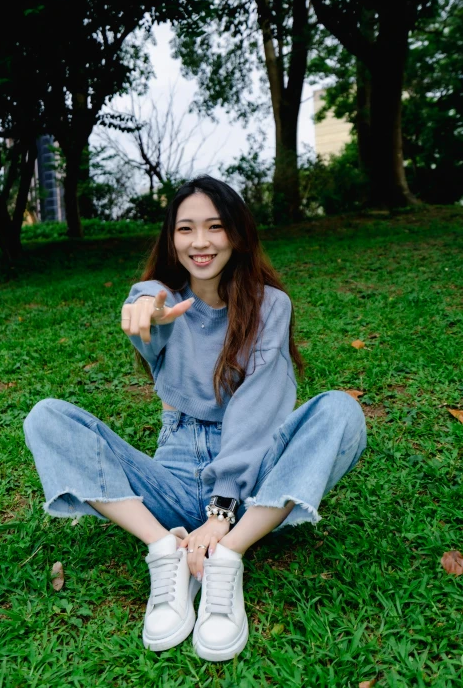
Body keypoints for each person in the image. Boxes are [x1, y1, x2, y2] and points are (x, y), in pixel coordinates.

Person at [23, 175, 366, 662]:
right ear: (171, 238)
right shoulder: (162, 305)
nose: (200, 242)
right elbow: (146, 301)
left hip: (254, 485)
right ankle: (166, 551)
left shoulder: (271, 305)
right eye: (186, 229)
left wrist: (223, 512)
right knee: (46, 418)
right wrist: (142, 304)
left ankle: (227, 557)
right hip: (176, 475)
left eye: (215, 227)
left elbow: (254, 414)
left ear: (238, 234)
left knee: (340, 410)